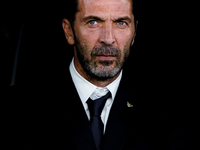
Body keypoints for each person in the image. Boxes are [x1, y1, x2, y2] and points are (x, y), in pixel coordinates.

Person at [4, 0, 189, 150]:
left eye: (121, 23)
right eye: (93, 22)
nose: (108, 38)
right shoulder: (20, 107)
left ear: (134, 33)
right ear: (69, 31)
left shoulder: (165, 108)